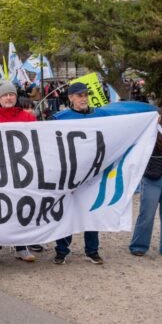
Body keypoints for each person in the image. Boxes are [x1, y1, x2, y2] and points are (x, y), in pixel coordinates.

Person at [0, 80, 37, 264]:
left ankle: (21, 246)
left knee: (21, 208)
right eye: (5, 95)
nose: (8, 97)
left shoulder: (28, 118)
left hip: (22, 172)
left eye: (11, 94)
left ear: (16, 96)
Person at [50, 82, 106, 265]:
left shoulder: (100, 116)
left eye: (85, 95)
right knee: (67, 212)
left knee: (91, 212)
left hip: (92, 174)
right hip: (69, 174)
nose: (83, 98)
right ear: (71, 98)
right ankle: (62, 250)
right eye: (79, 95)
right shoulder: (59, 118)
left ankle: (92, 250)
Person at [129, 105, 162, 259]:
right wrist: (152, 123)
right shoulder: (153, 130)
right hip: (153, 177)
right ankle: (139, 245)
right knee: (147, 213)